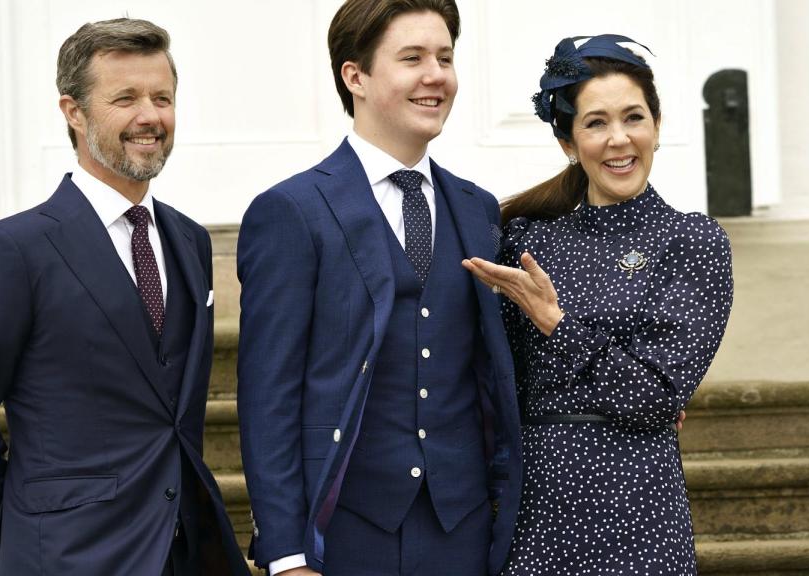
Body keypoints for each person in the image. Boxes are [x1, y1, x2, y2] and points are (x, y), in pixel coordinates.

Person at [0, 18, 250, 576]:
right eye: (126, 98)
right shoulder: (12, 250)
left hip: (186, 551)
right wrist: (23, 522)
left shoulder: (189, 240)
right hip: (67, 556)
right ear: (73, 111)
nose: (151, 116)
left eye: (162, 97)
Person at [236, 1, 521, 575]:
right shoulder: (291, 211)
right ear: (355, 76)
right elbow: (268, 398)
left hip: (462, 530)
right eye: (412, 58)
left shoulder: (477, 207)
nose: (436, 75)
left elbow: (492, 369)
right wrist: (288, 554)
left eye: (445, 57)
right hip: (346, 534)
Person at [463, 35, 733, 575]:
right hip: (533, 505)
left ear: (656, 124)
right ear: (568, 141)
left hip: (639, 505)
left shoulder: (693, 242)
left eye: (633, 117)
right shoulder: (522, 239)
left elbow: (655, 399)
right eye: (595, 123)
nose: (618, 139)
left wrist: (555, 324)